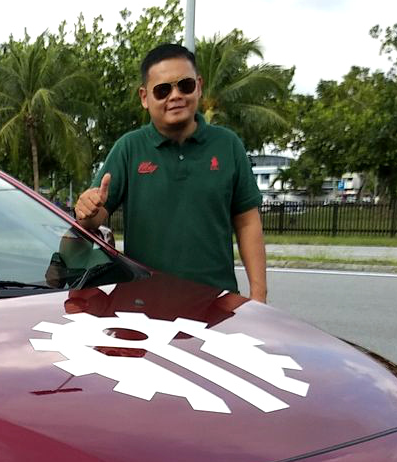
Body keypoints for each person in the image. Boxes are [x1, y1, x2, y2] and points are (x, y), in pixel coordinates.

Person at [74, 43, 267, 302]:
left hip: (217, 305)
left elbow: (247, 222)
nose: (175, 96)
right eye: (163, 90)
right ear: (145, 97)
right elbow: (93, 219)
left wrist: (259, 297)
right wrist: (86, 211)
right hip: (143, 305)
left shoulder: (227, 145)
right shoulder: (129, 148)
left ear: (199, 86)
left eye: (185, 85)